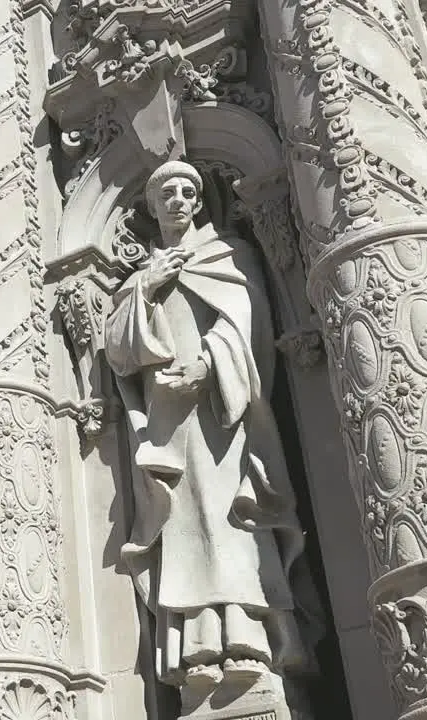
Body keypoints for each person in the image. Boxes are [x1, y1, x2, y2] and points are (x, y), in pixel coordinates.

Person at [104, 160, 307, 691]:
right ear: (151, 207)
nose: (176, 199)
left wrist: (210, 363)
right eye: (165, 193)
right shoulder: (141, 277)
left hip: (224, 414)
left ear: (197, 202)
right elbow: (120, 355)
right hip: (171, 424)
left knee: (232, 519)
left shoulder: (230, 256)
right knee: (183, 522)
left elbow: (248, 322)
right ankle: (196, 648)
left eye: (185, 191)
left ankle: (251, 640)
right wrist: (146, 289)